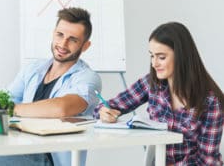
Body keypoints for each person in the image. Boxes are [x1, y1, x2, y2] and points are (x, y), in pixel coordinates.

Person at [94, 22, 224, 165]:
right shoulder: (152, 83)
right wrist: (104, 112)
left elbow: (207, 160)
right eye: (152, 56)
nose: (154, 64)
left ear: (181, 56)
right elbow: (106, 107)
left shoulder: (210, 101)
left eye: (161, 57)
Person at [0, 7, 101, 166]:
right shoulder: (33, 69)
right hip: (22, 148)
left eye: (73, 39)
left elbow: (61, 108)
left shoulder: (88, 78)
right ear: (53, 33)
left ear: (85, 46)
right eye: (60, 35)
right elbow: (4, 99)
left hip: (52, 160)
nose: (63, 44)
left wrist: (9, 109)